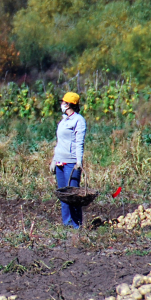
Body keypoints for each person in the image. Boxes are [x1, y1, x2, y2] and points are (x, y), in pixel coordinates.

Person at [50, 91, 86, 228]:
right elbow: (60, 142)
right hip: (60, 161)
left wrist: (79, 161)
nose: (62, 104)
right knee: (63, 195)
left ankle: (77, 225)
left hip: (71, 162)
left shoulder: (79, 120)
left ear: (70, 104)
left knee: (73, 195)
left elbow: (79, 142)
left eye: (63, 102)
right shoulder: (64, 120)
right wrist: (54, 159)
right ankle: (66, 224)